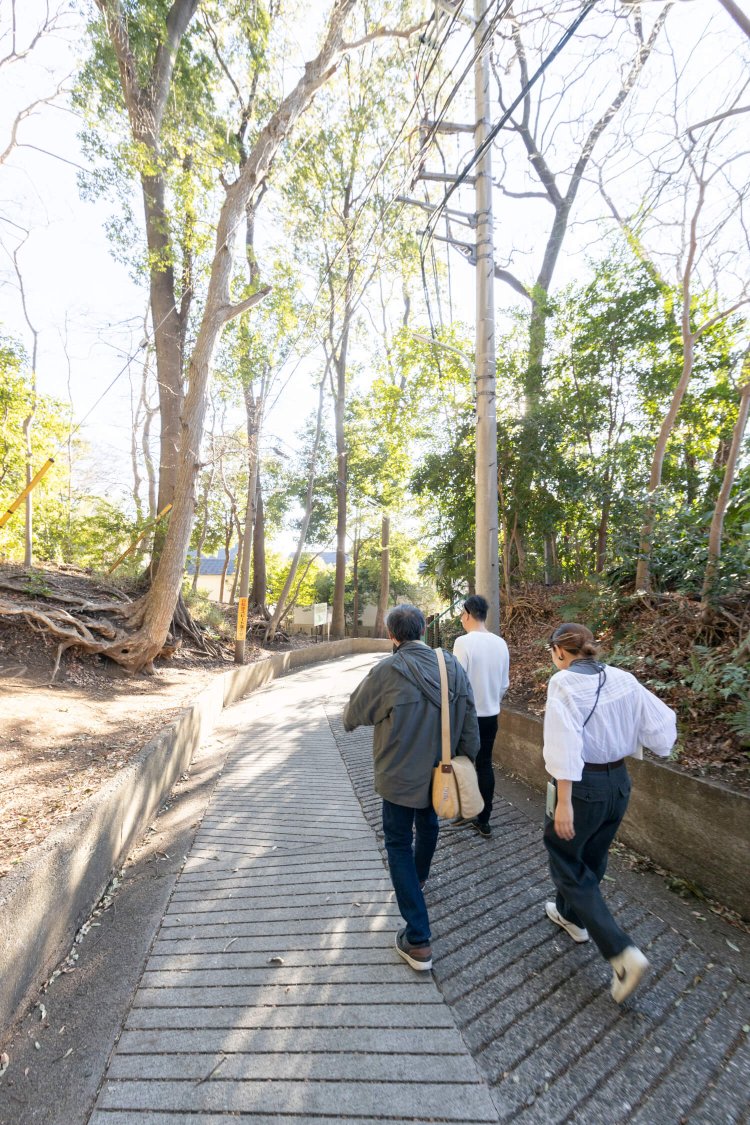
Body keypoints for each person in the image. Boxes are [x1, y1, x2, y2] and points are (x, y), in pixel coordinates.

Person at [542, 622, 677, 1003]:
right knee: (593, 854)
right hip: (619, 782)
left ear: (560, 651)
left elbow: (564, 743)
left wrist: (564, 801)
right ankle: (571, 916)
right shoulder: (623, 678)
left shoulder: (564, 683)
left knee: (565, 860)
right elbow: (661, 727)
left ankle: (621, 952)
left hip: (582, 787)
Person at [343, 604, 479, 972]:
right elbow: (469, 719)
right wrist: (467, 757)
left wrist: (356, 719)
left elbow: (355, 712)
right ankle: (417, 879)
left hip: (399, 776)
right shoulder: (451, 665)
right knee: (429, 824)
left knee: (398, 843)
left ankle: (418, 938)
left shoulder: (388, 669)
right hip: (440, 773)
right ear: (422, 630)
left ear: (392, 635)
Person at [453, 594, 510, 838]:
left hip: (467, 717)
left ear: (467, 614)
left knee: (463, 765)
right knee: (485, 764)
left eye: (461, 615)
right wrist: (491, 701)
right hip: (491, 715)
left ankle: (465, 812)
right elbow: (504, 684)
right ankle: (484, 820)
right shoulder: (500, 643)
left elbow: (458, 683)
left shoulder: (463, 642)